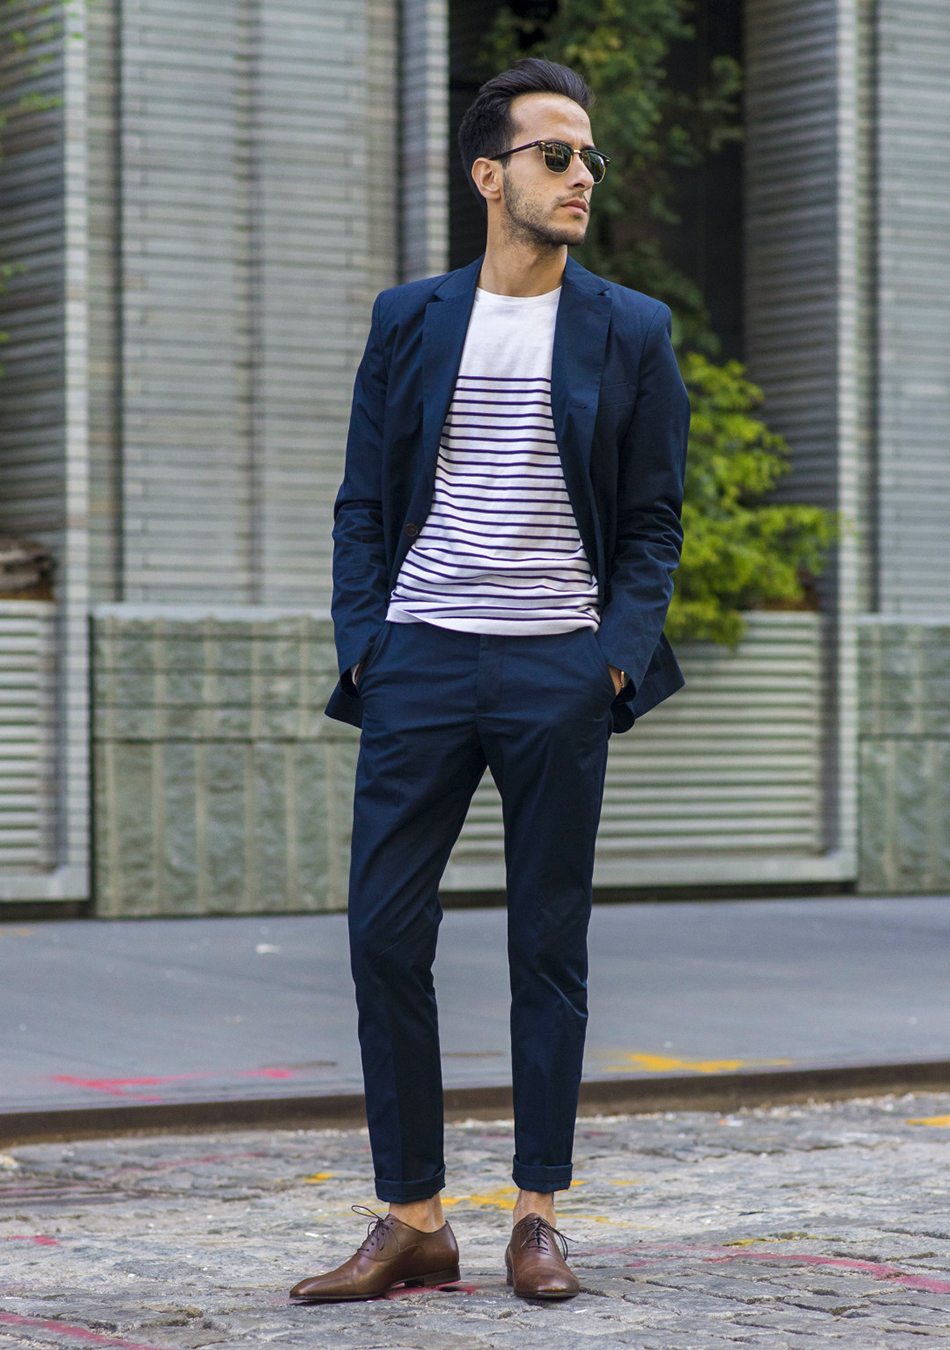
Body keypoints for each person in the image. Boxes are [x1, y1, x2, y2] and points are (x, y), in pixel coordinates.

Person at [290, 56, 690, 1305]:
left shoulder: (629, 328)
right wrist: (368, 636)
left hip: (554, 671)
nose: (580, 177)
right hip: (419, 662)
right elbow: (363, 499)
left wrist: (609, 655)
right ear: (488, 173)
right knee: (382, 937)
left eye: (589, 161)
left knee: (545, 944)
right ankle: (412, 1217)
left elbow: (651, 520)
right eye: (554, 155)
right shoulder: (410, 317)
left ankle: (535, 1216)